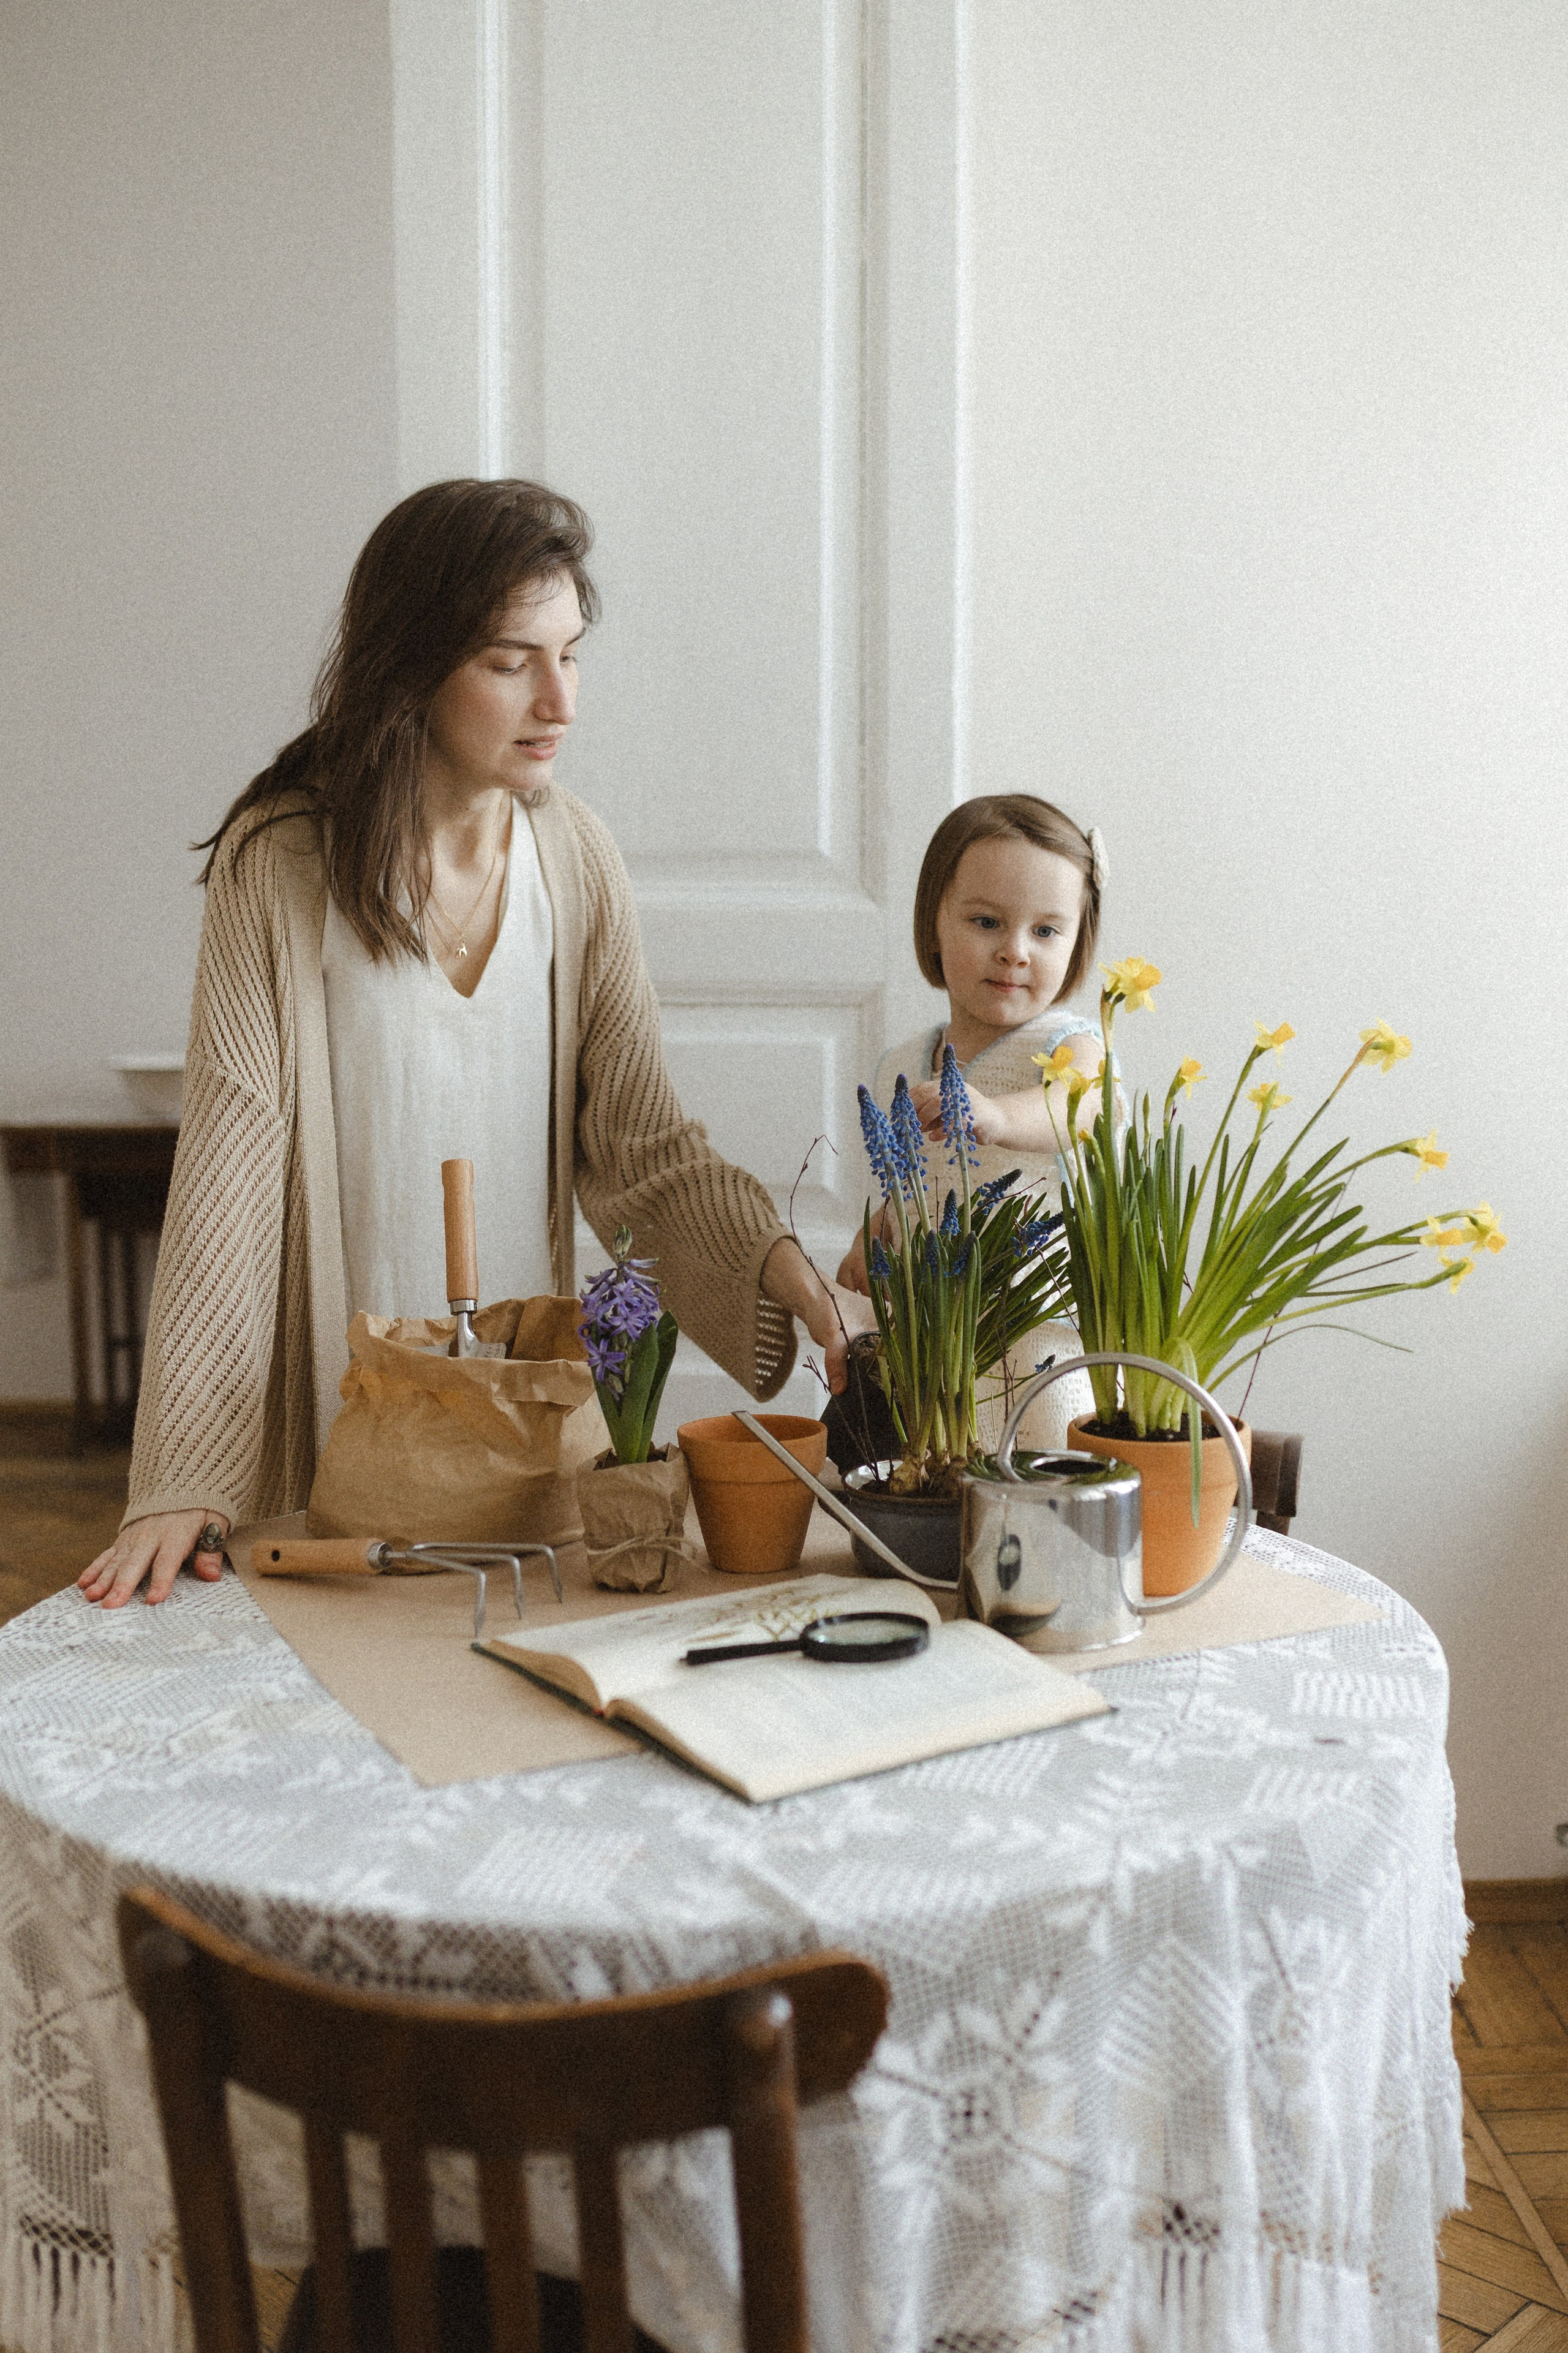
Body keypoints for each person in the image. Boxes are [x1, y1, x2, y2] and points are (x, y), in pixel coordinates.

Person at [82, 478, 873, 1608]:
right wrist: (185, 1469)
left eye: (573, 653)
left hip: (519, 1435)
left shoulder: (574, 858)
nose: (560, 700)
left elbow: (644, 1143)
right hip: (340, 1437)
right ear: (409, 667)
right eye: (511, 661)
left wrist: (794, 1279)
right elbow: (234, 1170)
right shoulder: (282, 863)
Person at [835, 793, 1109, 1453]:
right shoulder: (903, 1062)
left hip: (1025, 1327)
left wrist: (993, 1115)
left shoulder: (1072, 1044)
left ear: (1076, 945)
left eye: (1046, 931)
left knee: (1031, 1472)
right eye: (986, 921)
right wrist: (871, 1240)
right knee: (875, 1459)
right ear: (934, 924)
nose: (1014, 951)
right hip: (924, 1331)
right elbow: (906, 1184)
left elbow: (1074, 1107)